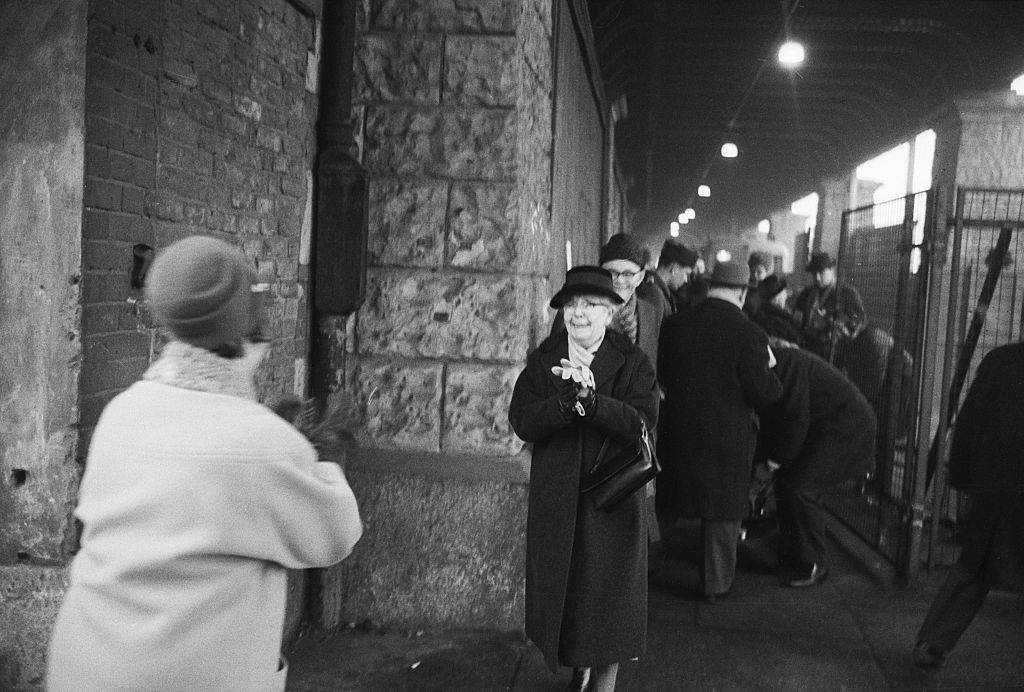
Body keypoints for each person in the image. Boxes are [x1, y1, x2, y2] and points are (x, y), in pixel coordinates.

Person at [47, 236, 363, 691]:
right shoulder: (264, 442)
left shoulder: (122, 413)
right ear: (246, 330)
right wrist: (324, 463)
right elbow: (335, 534)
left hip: (88, 663)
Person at [509, 266, 659, 692]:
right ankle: (580, 666)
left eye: (591, 305)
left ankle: (603, 681)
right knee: (568, 598)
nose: (579, 314)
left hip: (611, 499)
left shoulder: (633, 363)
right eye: (572, 305)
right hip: (558, 499)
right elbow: (521, 418)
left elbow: (642, 423)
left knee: (609, 604)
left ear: (610, 312)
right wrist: (563, 404)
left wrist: (595, 404)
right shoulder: (545, 359)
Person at [658, 257, 782, 602]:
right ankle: (714, 585)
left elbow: (663, 375)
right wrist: (770, 367)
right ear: (742, 293)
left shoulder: (675, 325)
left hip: (678, 431)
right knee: (723, 512)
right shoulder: (749, 334)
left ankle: (645, 568)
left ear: (710, 288)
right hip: (726, 440)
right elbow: (765, 392)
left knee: (668, 502)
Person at [913, 342, 1024, 668]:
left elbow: (970, 419)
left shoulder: (1000, 360)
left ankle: (933, 642)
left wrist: (961, 475)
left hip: (996, 485)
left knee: (974, 566)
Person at [755, 342, 877, 587]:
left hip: (846, 428)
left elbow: (795, 422)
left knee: (801, 487)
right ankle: (795, 552)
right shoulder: (781, 363)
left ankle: (814, 563)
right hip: (832, 425)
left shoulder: (787, 366)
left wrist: (770, 464)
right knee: (789, 483)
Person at [792, 251, 866, 358]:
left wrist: (829, 321)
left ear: (831, 270)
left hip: (833, 353)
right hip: (806, 348)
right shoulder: (806, 294)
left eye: (821, 272)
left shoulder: (847, 294)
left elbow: (859, 322)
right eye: (814, 273)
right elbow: (796, 320)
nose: (817, 277)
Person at [641, 239, 700, 315]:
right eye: (686, 273)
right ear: (674, 268)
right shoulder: (654, 294)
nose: (686, 280)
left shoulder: (656, 289)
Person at [752, 274, 803, 346]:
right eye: (783, 292)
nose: (786, 295)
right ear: (777, 297)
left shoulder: (761, 314)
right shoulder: (778, 319)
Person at [743, 251, 773, 316]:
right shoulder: (745, 286)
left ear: (767, 272)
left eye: (759, 272)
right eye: (752, 271)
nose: (755, 275)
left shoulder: (770, 288)